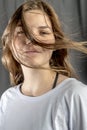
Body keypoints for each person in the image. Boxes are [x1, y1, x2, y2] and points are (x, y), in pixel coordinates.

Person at [0, 0, 87, 130]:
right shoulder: (7, 99)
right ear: (9, 41)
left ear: (55, 40)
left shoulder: (75, 94)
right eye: (21, 32)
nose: (31, 40)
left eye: (43, 32)